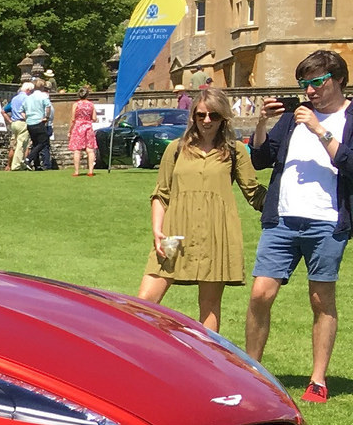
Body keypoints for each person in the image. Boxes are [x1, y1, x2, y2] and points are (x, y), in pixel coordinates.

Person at [246, 49, 352, 404]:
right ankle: (251, 372)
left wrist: (320, 130)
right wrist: (261, 123)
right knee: (261, 293)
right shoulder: (291, 120)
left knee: (321, 300)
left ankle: (318, 380)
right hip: (282, 219)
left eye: (317, 82)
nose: (309, 90)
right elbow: (260, 159)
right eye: (304, 84)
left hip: (327, 223)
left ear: (338, 79)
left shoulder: (346, 118)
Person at [138, 86, 262, 333]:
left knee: (209, 306)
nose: (207, 121)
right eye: (201, 115)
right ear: (193, 116)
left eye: (214, 116)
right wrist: (156, 231)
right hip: (174, 235)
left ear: (223, 118)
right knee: (143, 304)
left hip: (216, 235)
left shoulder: (235, 151)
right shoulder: (176, 149)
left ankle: (207, 364)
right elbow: (161, 194)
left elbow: (254, 193)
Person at [67, 88, 98, 176]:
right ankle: (90, 171)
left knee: (77, 150)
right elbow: (94, 118)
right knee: (90, 149)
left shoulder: (76, 104)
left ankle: (76, 171)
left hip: (78, 127)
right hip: (88, 127)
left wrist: (70, 130)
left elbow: (73, 118)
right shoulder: (91, 105)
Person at [27, 85, 55, 170]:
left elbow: (23, 110)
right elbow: (49, 111)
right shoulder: (44, 98)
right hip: (43, 123)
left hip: (31, 122)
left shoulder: (29, 98)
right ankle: (43, 164)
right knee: (44, 144)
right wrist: (46, 118)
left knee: (36, 144)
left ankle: (37, 165)